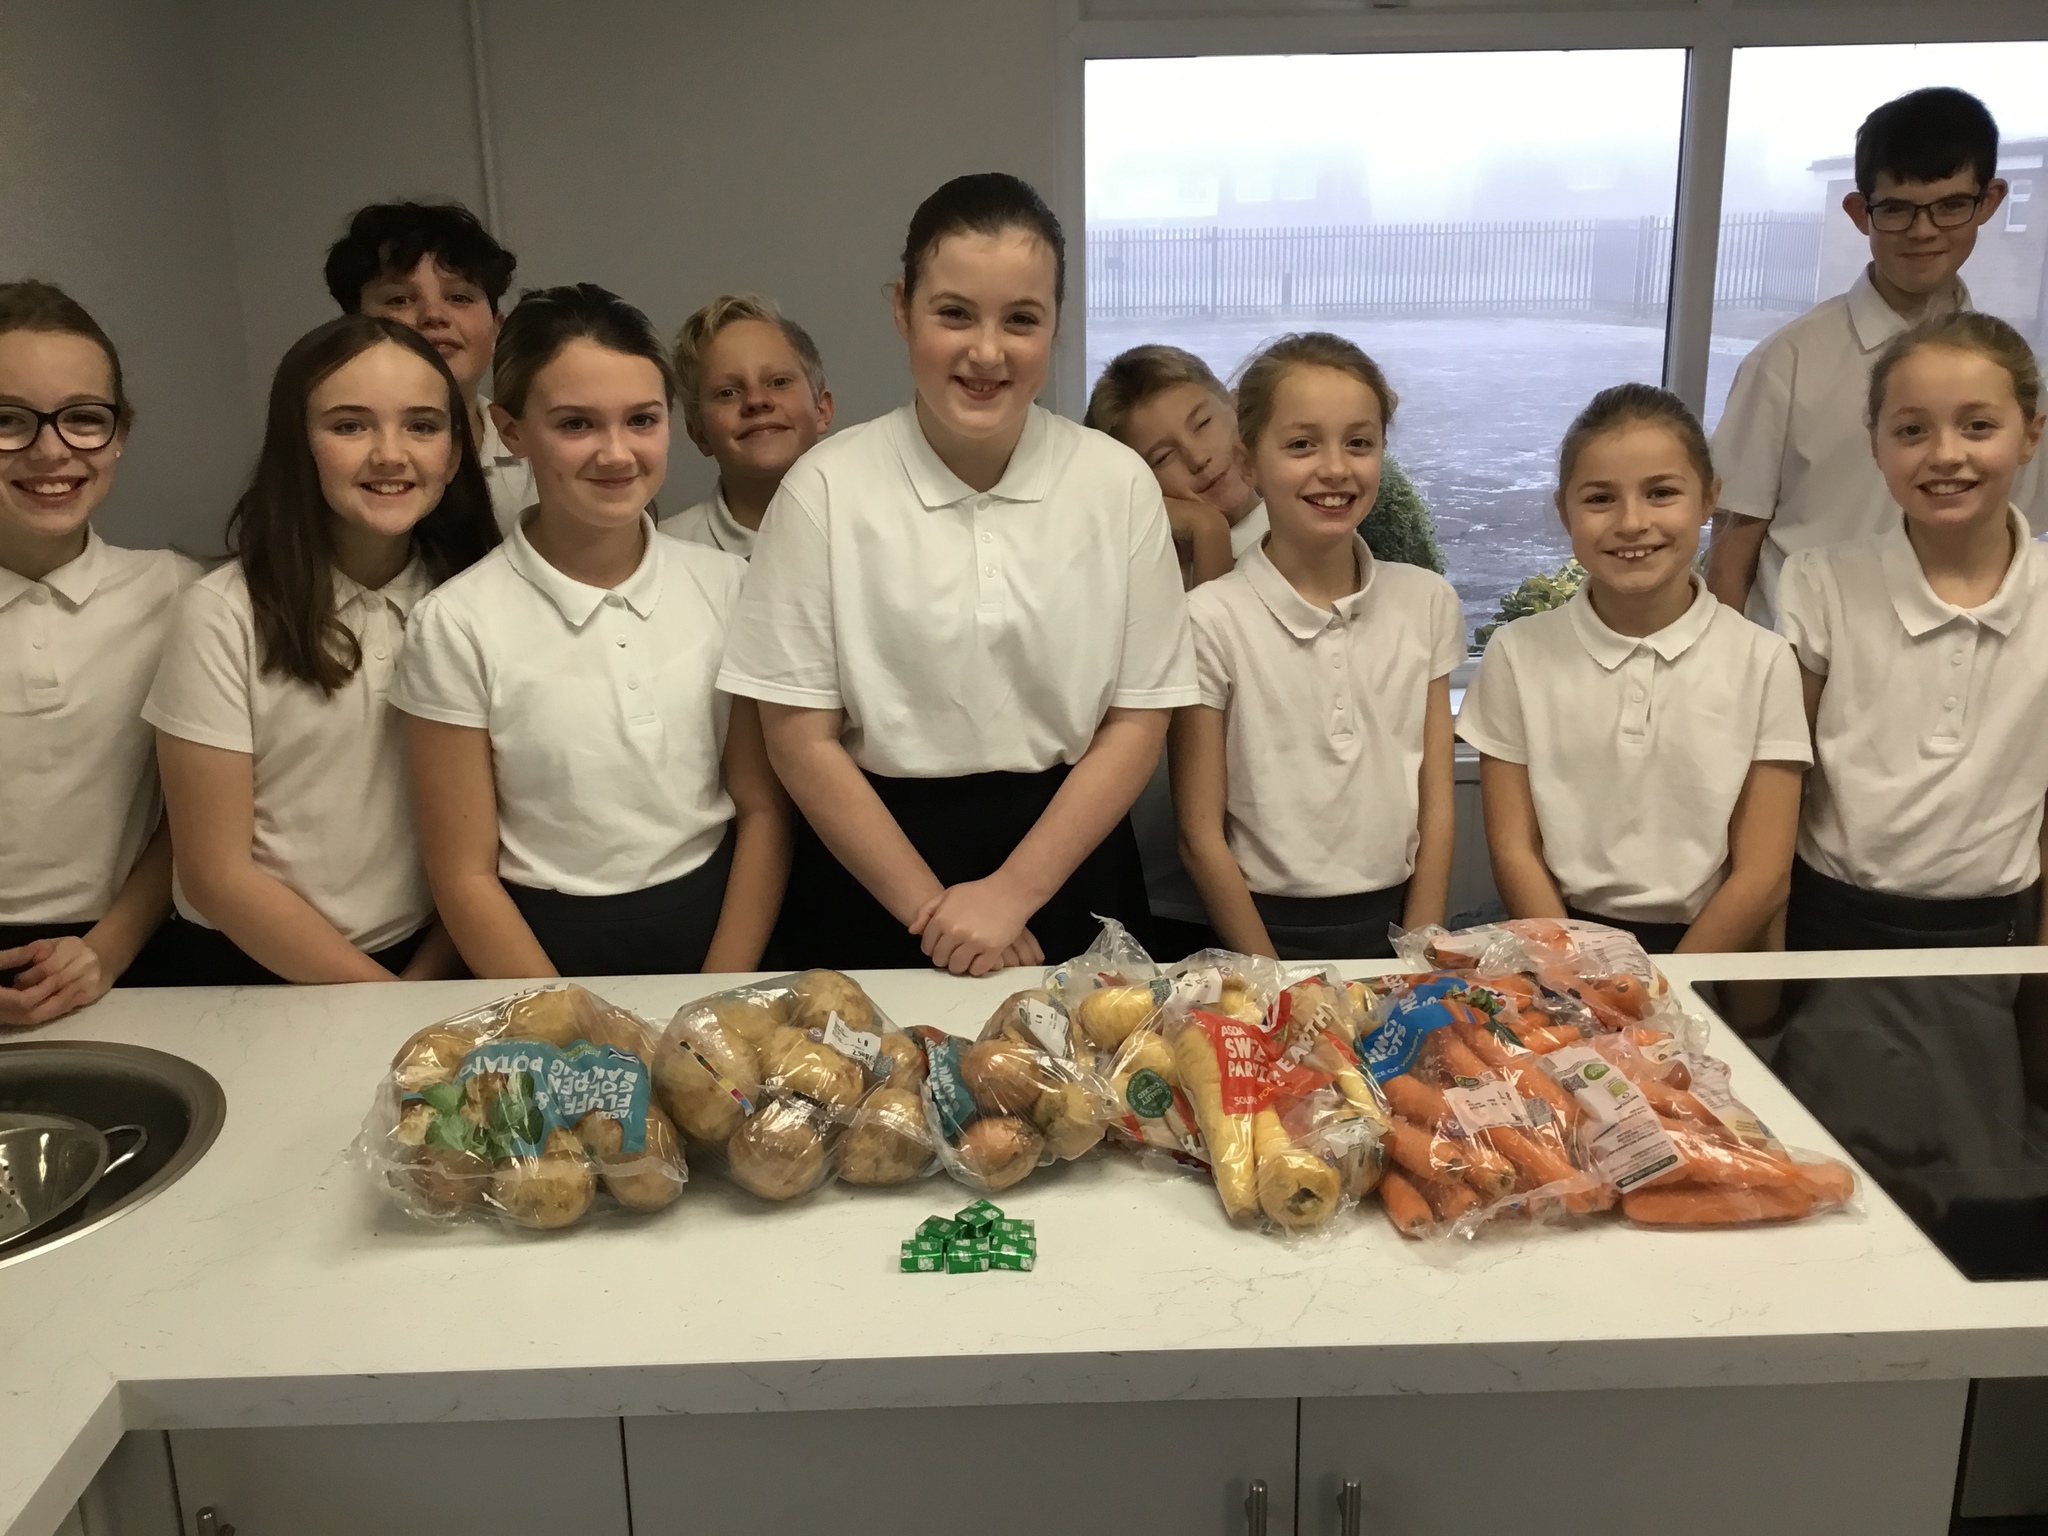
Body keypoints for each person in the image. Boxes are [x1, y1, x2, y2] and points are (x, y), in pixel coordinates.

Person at [718, 172, 1196, 976]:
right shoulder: (826, 489)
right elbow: (798, 738)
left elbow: (1138, 722)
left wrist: (1011, 895)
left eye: (1021, 319)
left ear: (1056, 323)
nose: (986, 351)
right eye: (954, 313)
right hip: (872, 874)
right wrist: (938, 914)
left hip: (1069, 867)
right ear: (902, 309)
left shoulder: (1116, 485)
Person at [397, 284, 788, 978]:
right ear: (511, 430)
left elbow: (762, 808)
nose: (616, 453)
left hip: (719, 930)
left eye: (641, 420)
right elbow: (463, 876)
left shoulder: (726, 586)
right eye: (576, 424)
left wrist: (723, 985)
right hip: (539, 953)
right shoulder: (456, 624)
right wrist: (568, 1019)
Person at [145, 315, 496, 983]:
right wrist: (387, 1004)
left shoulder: (474, 601)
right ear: (298, 446)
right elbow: (215, 873)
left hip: (431, 959)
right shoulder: (222, 613)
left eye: (422, 426)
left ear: (455, 454)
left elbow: (486, 838)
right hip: (254, 968)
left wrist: (420, 986)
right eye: (351, 426)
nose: (390, 454)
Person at [1087, 341, 1449, 956]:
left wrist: (1419, 953)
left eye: (1359, 442)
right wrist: (1271, 980)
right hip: (1234, 919)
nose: (1333, 468)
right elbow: (1199, 832)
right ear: (1251, 457)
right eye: (1302, 444)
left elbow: (1435, 807)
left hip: (1392, 921)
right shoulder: (1188, 601)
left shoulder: (1423, 598)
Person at [1459, 384, 1810, 955]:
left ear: (1709, 498)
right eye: (1600, 498)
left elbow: (1763, 873)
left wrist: (1665, 988)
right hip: (1560, 947)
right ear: (1564, 511)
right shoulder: (1518, 653)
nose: (1632, 522)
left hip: (1707, 951)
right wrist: (1580, 974)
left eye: (1661, 493)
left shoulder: (1763, 661)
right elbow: (1514, 850)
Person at [1708, 86, 2044, 626]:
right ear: (1859, 212)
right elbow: (1731, 551)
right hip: (1799, 654)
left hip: (1957, 652)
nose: (1923, 230)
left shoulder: (2011, 375)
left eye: (1950, 205)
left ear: (1990, 202)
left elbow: (2018, 535)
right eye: (1897, 209)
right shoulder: (1788, 362)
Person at [1778, 311, 2048, 950]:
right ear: (1875, 444)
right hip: (1830, 916)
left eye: (1978, 426)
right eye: (1912, 430)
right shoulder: (1821, 583)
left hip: (1996, 927)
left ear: (2031, 434)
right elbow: (1781, 784)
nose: (1946, 454)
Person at [0, 281, 199, 1022]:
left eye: (83, 418)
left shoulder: (182, 594)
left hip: (138, 952)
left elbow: (201, 814)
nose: (50, 450)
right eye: (8, 420)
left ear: (119, 433)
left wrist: (106, 950)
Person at [324, 200, 537, 534]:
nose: (434, 316)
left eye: (459, 298)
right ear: (354, 327)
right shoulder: (326, 462)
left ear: (497, 327)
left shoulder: (540, 453)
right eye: (399, 300)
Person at [657, 293, 833, 558]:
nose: (756, 400)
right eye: (727, 392)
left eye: (779, 382)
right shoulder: (664, 554)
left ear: (821, 409)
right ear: (699, 433)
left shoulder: (882, 525)